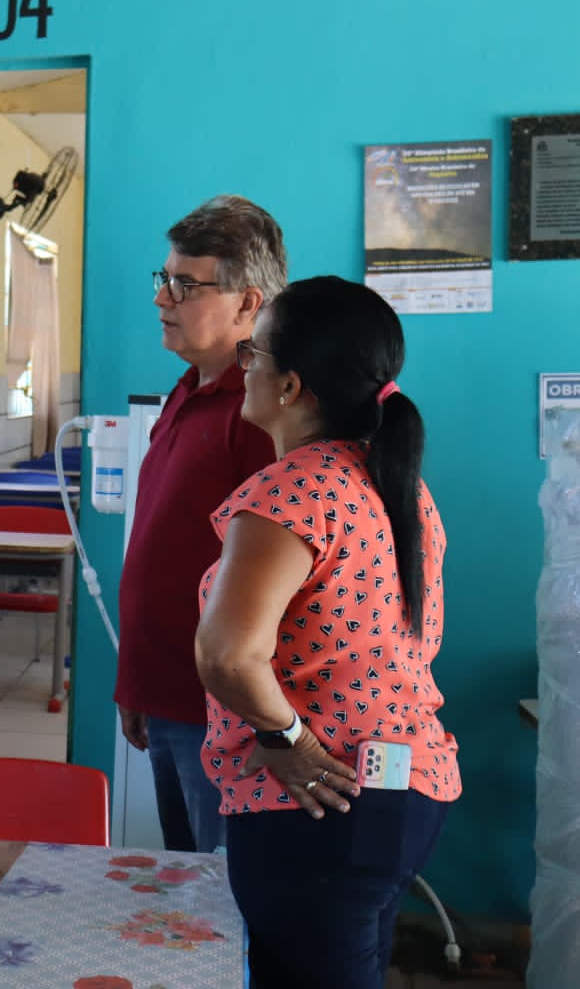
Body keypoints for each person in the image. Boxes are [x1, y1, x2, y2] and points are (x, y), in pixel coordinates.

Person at [195, 276, 460, 988]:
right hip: (402, 789)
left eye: (253, 354)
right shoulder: (393, 484)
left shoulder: (290, 493)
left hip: (317, 799)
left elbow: (227, 655)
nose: (242, 365)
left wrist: (289, 741)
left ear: (289, 388)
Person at [113, 195, 285, 853]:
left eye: (186, 285)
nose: (164, 299)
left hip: (222, 712)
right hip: (164, 695)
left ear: (248, 302)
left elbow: (272, 578)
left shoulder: (262, 409)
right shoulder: (189, 387)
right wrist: (135, 679)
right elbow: (164, 548)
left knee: (222, 902)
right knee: (184, 888)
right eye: (164, 280)